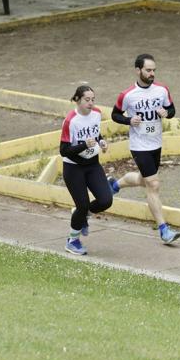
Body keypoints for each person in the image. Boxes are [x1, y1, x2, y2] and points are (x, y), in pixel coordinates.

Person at [108, 54, 180, 244]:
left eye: (154, 70)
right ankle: (164, 229)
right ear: (138, 70)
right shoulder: (128, 95)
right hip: (139, 145)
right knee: (154, 184)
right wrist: (129, 120)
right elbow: (115, 114)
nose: (152, 73)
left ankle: (115, 185)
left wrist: (167, 113)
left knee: (145, 180)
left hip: (156, 142)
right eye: (148, 70)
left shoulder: (162, 90)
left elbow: (172, 110)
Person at [60, 85, 113, 255]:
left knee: (106, 200)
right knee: (82, 205)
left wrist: (101, 142)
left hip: (92, 165)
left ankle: (81, 215)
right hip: (73, 168)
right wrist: (84, 145)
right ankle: (72, 241)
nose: (90, 103)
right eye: (86, 100)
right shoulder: (70, 120)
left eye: (93, 99)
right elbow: (64, 150)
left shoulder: (97, 113)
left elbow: (96, 135)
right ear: (77, 100)